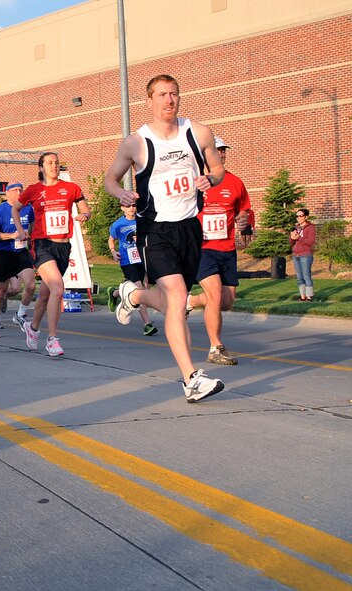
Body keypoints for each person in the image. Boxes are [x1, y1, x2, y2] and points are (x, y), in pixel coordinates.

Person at [104, 74, 225, 403]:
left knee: (177, 301)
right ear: (150, 100)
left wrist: (209, 179)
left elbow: (217, 168)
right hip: (154, 228)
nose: (169, 100)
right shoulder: (136, 142)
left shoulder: (198, 133)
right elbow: (110, 179)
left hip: (188, 228)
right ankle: (191, 378)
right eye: (161, 95)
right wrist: (122, 193)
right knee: (177, 294)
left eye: (173, 94)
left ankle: (135, 296)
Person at [14, 153, 91, 356]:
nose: (54, 166)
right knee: (58, 288)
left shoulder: (71, 188)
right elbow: (16, 209)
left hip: (63, 247)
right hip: (42, 246)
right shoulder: (34, 190)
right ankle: (53, 340)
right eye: (49, 163)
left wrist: (84, 215)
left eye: (56, 163)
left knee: (46, 294)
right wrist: (21, 231)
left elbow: (86, 209)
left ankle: (32, 328)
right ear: (41, 168)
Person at [186, 136, 251, 365]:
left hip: (227, 249)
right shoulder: (195, 182)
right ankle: (216, 348)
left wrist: (243, 222)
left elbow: (244, 209)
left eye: (223, 151)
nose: (221, 154)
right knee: (214, 295)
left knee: (226, 302)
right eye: (217, 150)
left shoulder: (235, 182)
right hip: (203, 249)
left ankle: (192, 302)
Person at [0, 182, 36, 338]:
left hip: (21, 252)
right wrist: (11, 235)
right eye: (15, 190)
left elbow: (32, 225)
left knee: (31, 284)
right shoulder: (1, 211)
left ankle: (20, 315)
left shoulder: (28, 208)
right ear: (7, 193)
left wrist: (28, 236)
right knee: (1, 292)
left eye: (21, 190)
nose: (19, 192)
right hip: (2, 253)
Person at [106, 203, 158, 336]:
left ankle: (115, 293)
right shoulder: (119, 224)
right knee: (139, 291)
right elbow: (111, 239)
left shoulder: (141, 220)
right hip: (127, 260)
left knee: (143, 289)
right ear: (122, 208)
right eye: (127, 206)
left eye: (134, 205)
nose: (131, 208)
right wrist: (113, 252)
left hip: (142, 259)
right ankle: (147, 324)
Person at [290, 208, 316, 301]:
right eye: (297, 216)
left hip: (305, 254)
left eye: (301, 216)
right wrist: (292, 237)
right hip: (296, 255)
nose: (298, 218)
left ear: (306, 217)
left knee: (306, 276)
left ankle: (309, 296)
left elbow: (310, 242)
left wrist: (299, 238)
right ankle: (302, 296)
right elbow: (291, 243)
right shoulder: (296, 227)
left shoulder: (310, 227)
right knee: (299, 277)